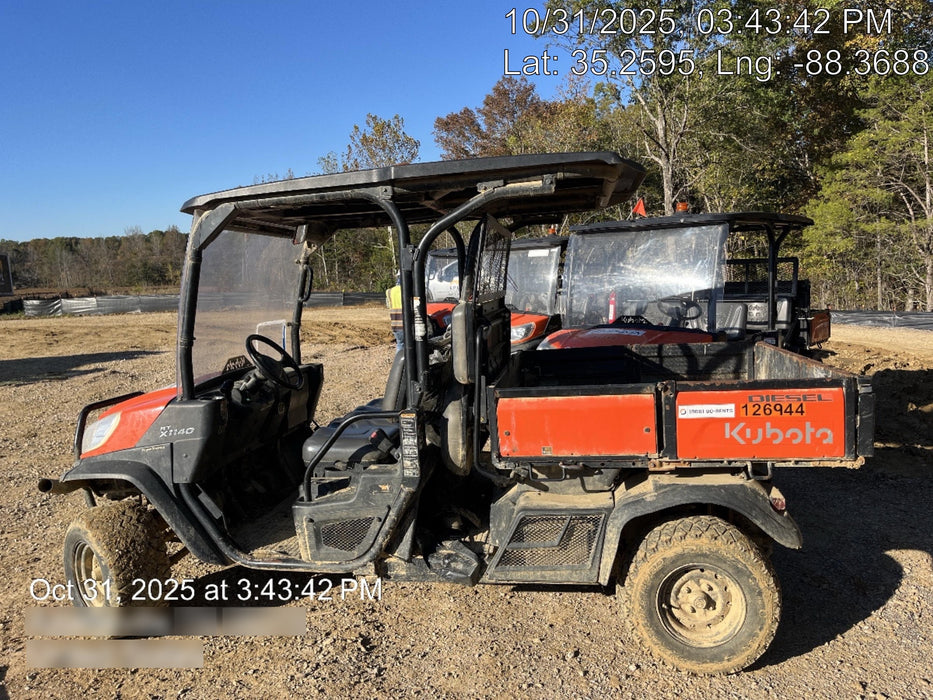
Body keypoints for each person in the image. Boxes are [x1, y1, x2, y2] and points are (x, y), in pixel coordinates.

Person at [386, 273, 403, 350]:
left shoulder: (389, 291)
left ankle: (398, 361)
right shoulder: (409, 290)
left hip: (395, 325)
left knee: (400, 345)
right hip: (407, 325)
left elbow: (389, 306)